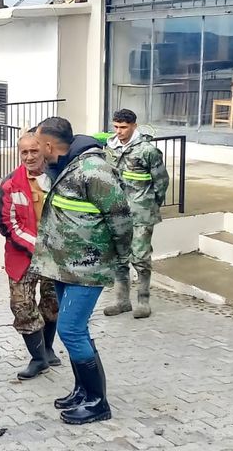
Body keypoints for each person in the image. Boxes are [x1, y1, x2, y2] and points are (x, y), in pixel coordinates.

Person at [31, 117, 132, 425]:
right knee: (75, 330)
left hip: (88, 266)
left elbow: (121, 217)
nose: (36, 151)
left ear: (49, 145)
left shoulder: (93, 170)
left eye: (38, 145)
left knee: (71, 330)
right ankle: (82, 391)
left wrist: (119, 258)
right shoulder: (66, 166)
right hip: (66, 266)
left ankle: (98, 402)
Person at [0, 131, 60, 381]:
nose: (30, 156)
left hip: (55, 254)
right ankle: (37, 358)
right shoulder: (10, 183)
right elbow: (6, 223)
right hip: (22, 255)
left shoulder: (58, 177)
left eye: (34, 151)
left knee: (52, 301)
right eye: (25, 152)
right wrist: (37, 245)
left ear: (43, 149)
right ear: (19, 153)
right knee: (21, 305)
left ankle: (47, 349)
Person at [103, 109, 169, 319]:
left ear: (133, 126)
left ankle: (143, 301)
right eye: (116, 127)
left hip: (141, 212)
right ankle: (121, 301)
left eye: (123, 127)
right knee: (118, 258)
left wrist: (151, 204)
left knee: (140, 257)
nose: (119, 131)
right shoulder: (110, 148)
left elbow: (161, 182)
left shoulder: (148, 150)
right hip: (117, 212)